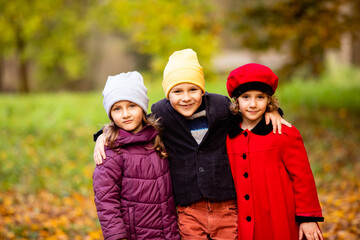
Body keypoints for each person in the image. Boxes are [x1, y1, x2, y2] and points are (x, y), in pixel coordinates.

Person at [94, 49, 289, 239]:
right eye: (177, 91)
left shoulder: (220, 108)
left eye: (193, 89)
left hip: (225, 204)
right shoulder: (163, 113)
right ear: (168, 95)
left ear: (202, 90)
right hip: (188, 208)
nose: (186, 98)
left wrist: (271, 112)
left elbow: (247, 112)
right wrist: (103, 134)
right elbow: (137, 124)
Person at [226, 63, 324, 240]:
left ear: (269, 101)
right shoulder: (227, 136)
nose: (253, 104)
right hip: (240, 224)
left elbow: (302, 177)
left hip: (279, 219)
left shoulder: (284, 133)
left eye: (260, 97)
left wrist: (308, 218)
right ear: (236, 101)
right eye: (246, 97)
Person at [92, 71, 180, 240]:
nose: (125, 114)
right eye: (117, 109)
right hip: (135, 234)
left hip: (169, 232)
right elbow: (106, 201)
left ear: (143, 107)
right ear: (111, 114)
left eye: (132, 106)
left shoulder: (158, 139)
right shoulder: (111, 152)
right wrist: (117, 236)